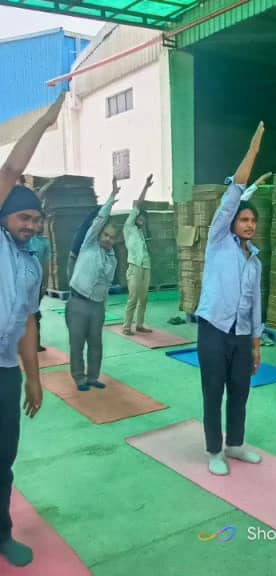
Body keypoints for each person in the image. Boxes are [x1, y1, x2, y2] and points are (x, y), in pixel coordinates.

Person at [0, 93, 65, 567]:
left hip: (5, 371)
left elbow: (26, 321)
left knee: (3, 457)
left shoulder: (29, 265)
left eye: (37, 220)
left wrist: (33, 378)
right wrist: (44, 122)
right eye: (24, 217)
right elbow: (11, 169)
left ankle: (1, 533)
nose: (31, 225)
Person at [195, 121, 271, 475]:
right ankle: (214, 450)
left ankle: (235, 445)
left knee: (240, 390)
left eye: (253, 220)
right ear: (231, 222)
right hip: (214, 329)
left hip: (241, 335)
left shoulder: (254, 260)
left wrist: (255, 344)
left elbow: (255, 304)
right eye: (243, 219)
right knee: (214, 391)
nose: (249, 224)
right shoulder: (218, 241)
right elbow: (234, 195)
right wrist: (253, 150)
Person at [65, 178, 121, 392]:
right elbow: (99, 220)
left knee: (96, 344)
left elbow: (106, 284)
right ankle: (79, 378)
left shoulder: (112, 259)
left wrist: (102, 305)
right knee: (77, 343)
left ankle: (93, 376)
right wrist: (111, 198)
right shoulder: (89, 244)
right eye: (105, 235)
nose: (107, 239)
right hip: (78, 302)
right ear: (99, 234)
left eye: (112, 237)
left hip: (97, 306)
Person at [122, 174, 154, 335]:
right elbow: (138, 204)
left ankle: (139, 324)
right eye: (140, 216)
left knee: (144, 298)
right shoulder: (129, 227)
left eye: (144, 218)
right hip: (135, 267)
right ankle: (126, 327)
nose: (142, 219)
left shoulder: (141, 233)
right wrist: (146, 187)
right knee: (133, 298)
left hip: (146, 266)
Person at [28, 219, 51, 352]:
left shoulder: (45, 242)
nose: (40, 225)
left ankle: (35, 343)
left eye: (42, 222)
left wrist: (45, 284)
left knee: (35, 313)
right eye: (38, 222)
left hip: (38, 284)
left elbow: (46, 265)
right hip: (25, 283)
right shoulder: (26, 239)